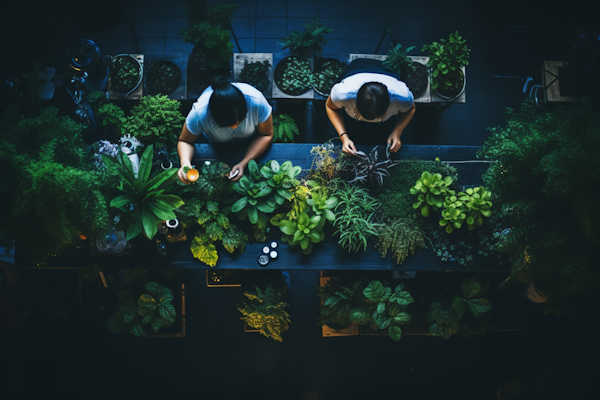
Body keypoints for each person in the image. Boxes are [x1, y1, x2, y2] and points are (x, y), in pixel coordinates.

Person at [177, 76, 273, 183]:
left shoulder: (257, 101)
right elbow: (185, 141)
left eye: (240, 121)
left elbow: (266, 134)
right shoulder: (199, 113)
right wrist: (185, 163)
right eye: (226, 125)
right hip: (216, 145)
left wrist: (244, 163)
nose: (234, 127)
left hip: (252, 143)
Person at [325, 58, 416, 155]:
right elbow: (330, 107)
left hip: (387, 72)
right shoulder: (343, 94)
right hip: (357, 68)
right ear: (356, 105)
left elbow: (411, 109)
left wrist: (397, 132)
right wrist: (344, 137)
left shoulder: (401, 97)